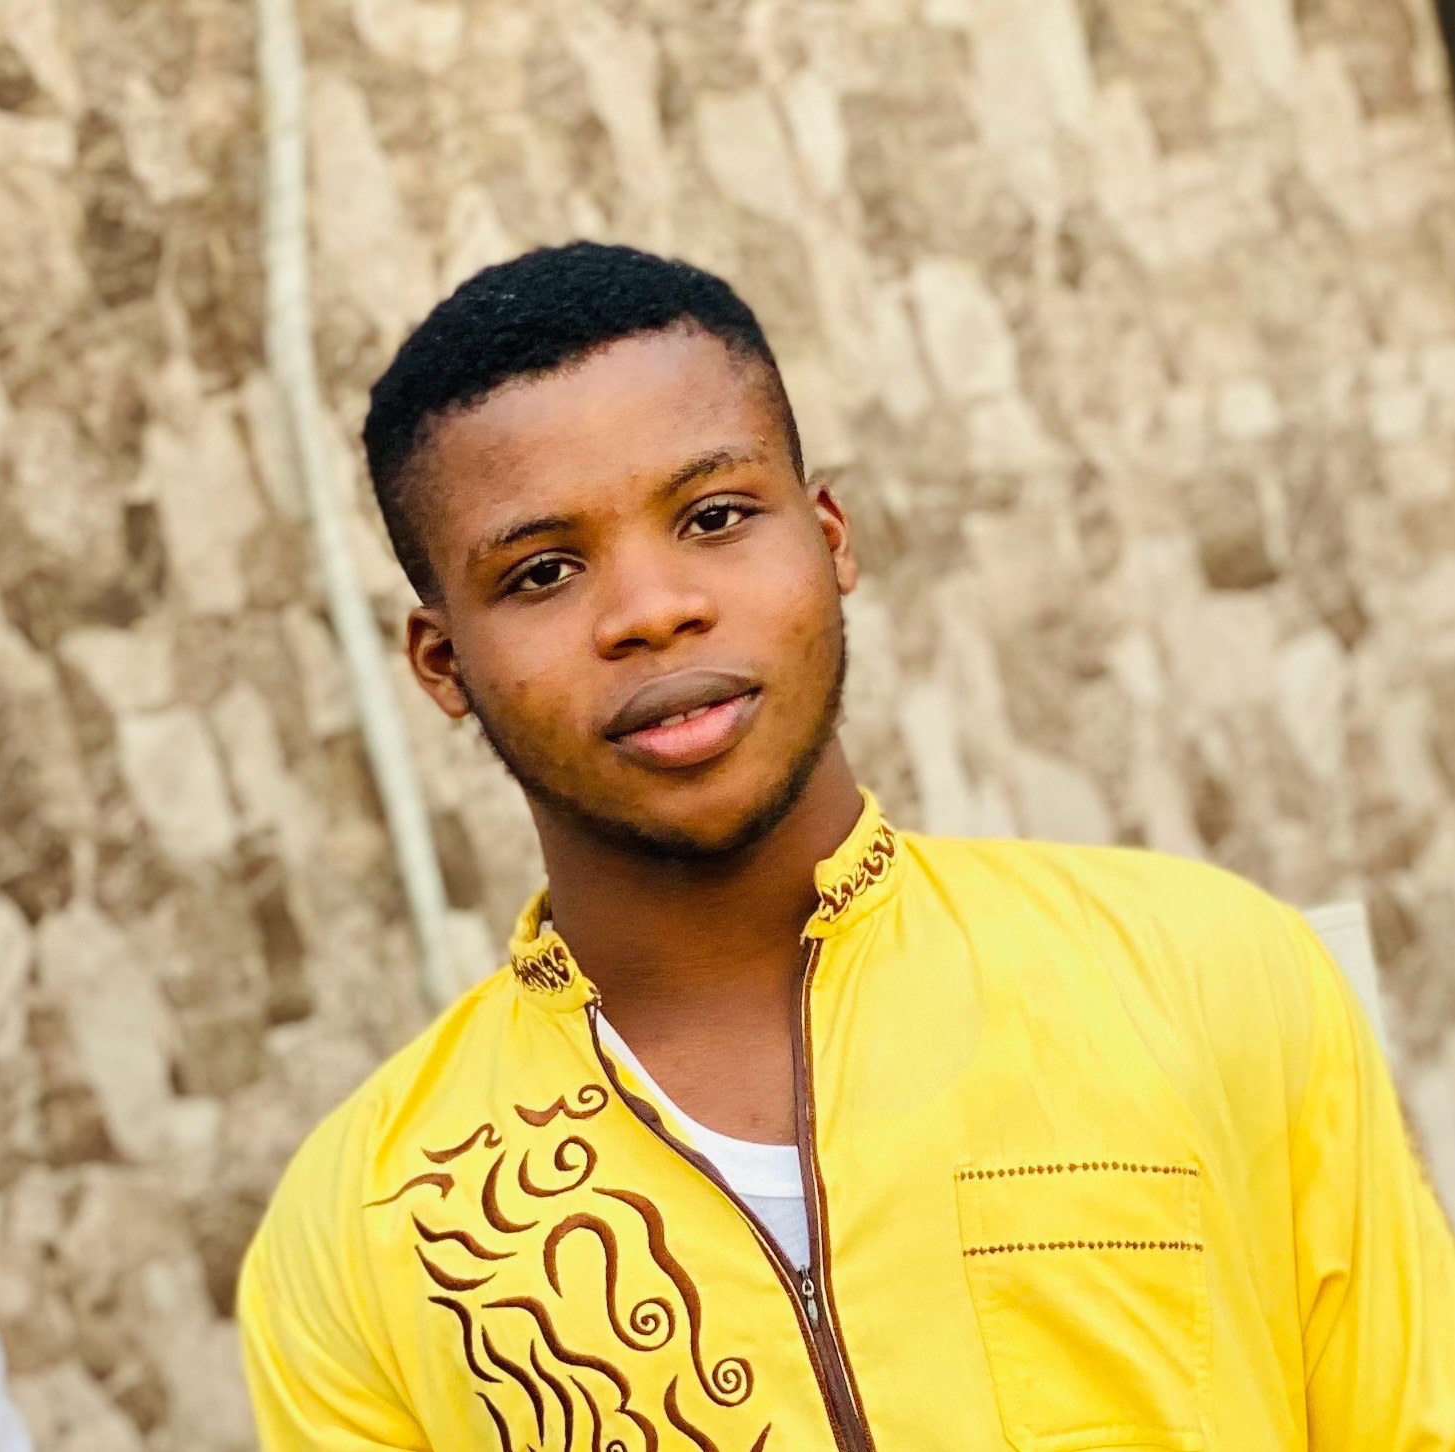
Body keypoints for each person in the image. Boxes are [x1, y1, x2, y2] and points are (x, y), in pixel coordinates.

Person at [238, 241, 1455, 1451]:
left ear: (828, 539)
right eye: (543, 571)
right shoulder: (359, 1235)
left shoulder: (1208, 974)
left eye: (714, 516)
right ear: (443, 664)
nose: (653, 611)